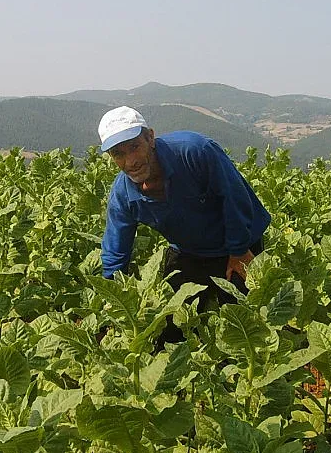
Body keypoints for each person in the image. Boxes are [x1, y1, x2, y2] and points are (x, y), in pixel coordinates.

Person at [98, 106, 271, 314]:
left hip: (237, 242)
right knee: (167, 328)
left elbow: (235, 197)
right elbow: (116, 249)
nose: (130, 161)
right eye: (118, 153)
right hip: (189, 252)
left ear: (150, 138)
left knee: (246, 318)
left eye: (135, 146)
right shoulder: (123, 195)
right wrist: (112, 300)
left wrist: (239, 250)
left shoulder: (194, 151)